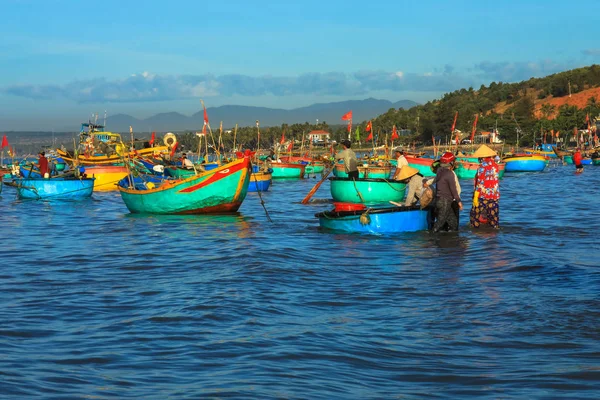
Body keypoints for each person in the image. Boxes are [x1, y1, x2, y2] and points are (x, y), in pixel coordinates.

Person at [469, 145, 500, 229]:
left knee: (475, 216)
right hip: (494, 196)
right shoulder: (496, 166)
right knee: (494, 218)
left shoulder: (482, 167)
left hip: (482, 195)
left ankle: (475, 232)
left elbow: (480, 183)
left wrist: (475, 196)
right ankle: (494, 233)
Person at [431, 152, 462, 232]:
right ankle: (429, 240)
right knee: (438, 225)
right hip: (446, 202)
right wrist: (459, 201)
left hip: (439, 200)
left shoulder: (439, 171)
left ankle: (446, 241)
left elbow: (435, 180)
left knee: (453, 223)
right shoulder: (450, 174)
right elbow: (453, 189)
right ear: (451, 163)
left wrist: (426, 182)